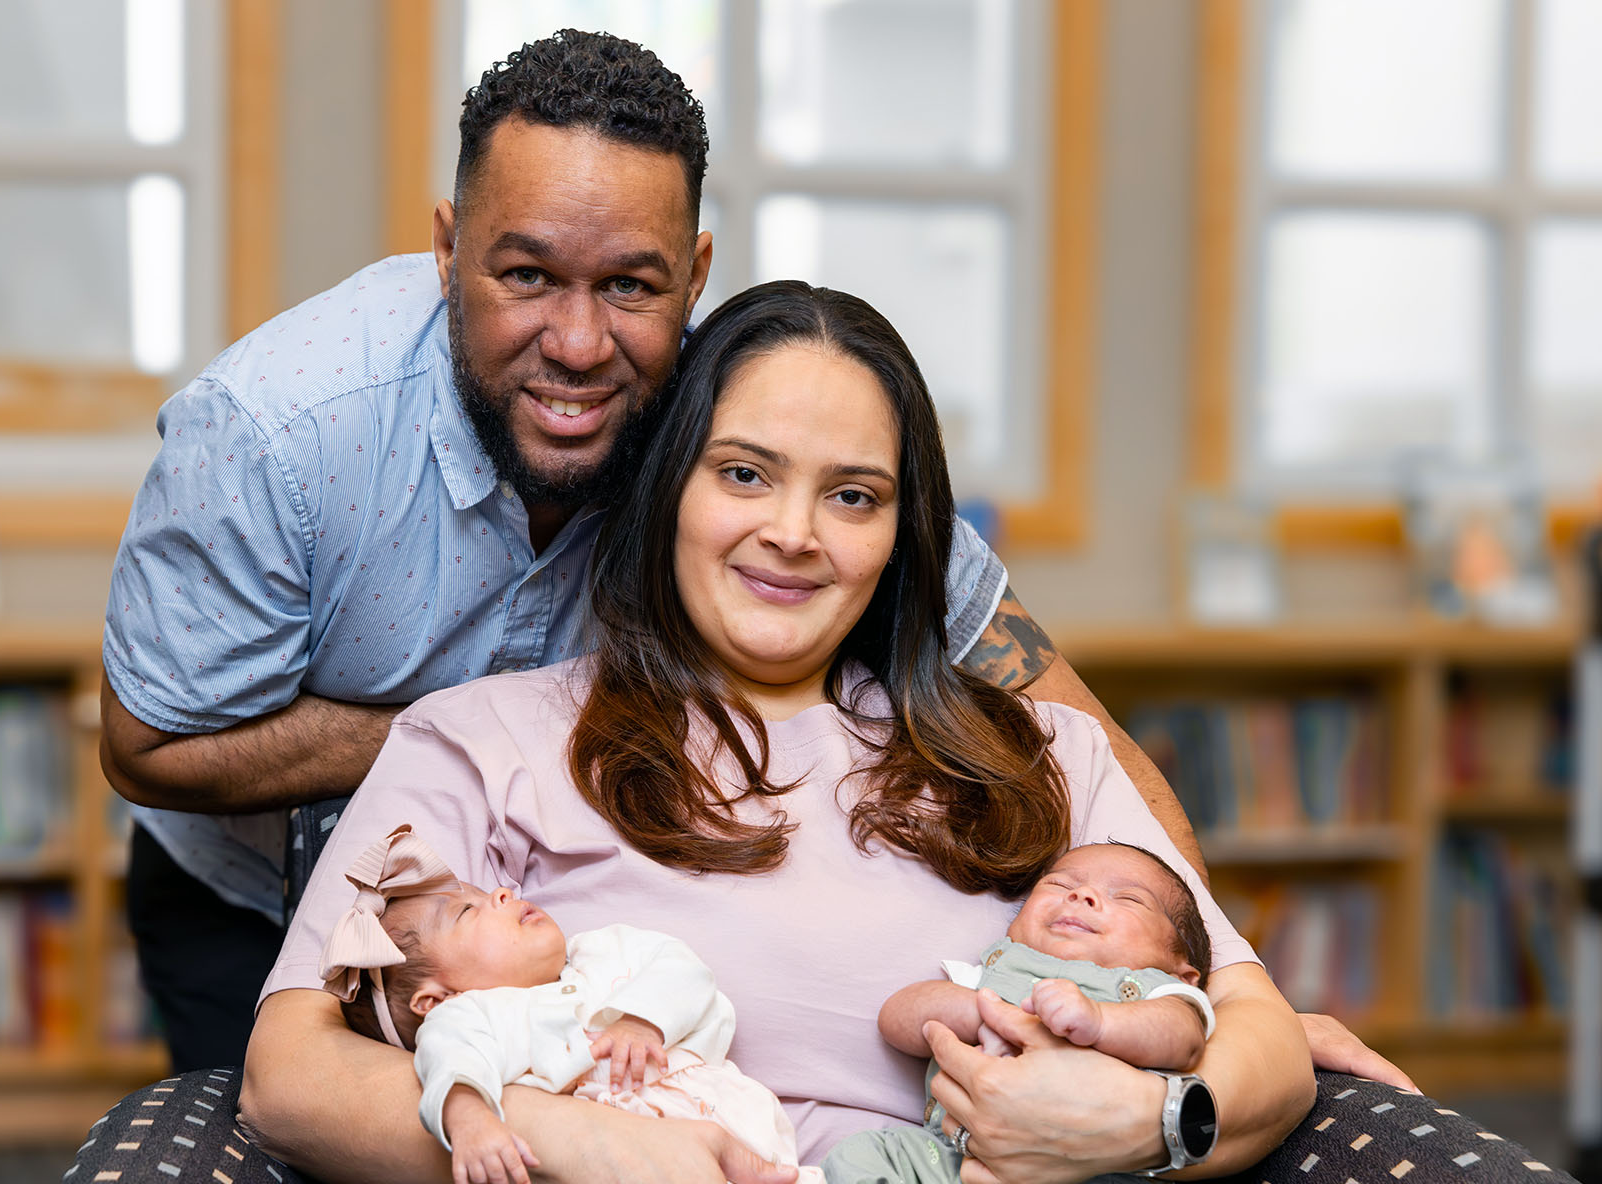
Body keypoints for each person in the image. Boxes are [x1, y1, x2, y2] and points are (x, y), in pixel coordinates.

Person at [91, 29, 1396, 1089]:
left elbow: (1074, 729)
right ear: (445, 247)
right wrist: (465, 739)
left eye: (635, 287)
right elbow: (149, 742)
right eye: (527, 274)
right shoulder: (273, 432)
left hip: (553, 935)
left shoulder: (749, 430)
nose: (582, 344)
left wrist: (1218, 989)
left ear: (697, 271)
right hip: (251, 886)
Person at [241, 279, 1318, 1184]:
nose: (792, 533)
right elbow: (286, 1073)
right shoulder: (478, 738)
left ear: (903, 531)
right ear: (668, 486)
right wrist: (574, 1146)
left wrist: (1144, 1121)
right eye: (745, 474)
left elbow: (1259, 1035)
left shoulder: (1044, 755)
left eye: (852, 496)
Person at [314, 822, 880, 1184]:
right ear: (440, 999)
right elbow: (449, 1061)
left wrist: (641, 1020)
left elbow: (681, 971)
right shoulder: (480, 1018)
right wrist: (470, 1119)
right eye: (470, 910)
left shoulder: (602, 957)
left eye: (490, 891)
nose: (504, 892)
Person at [821, 841, 1220, 1184]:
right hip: (945, 1169)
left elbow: (1181, 1040)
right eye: (1058, 884)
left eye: (1128, 898)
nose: (1082, 896)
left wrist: (1100, 1021)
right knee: (860, 1159)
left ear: (1182, 969)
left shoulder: (1159, 994)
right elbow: (897, 1017)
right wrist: (979, 1008)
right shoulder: (992, 973)